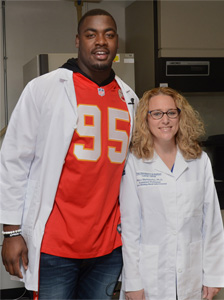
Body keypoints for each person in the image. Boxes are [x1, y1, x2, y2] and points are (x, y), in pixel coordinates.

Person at [0, 9, 138, 299]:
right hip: (55, 246)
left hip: (109, 247)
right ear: (78, 40)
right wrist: (11, 233)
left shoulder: (129, 98)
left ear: (116, 43)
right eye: (91, 34)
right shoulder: (44, 88)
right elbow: (14, 161)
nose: (101, 41)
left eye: (109, 35)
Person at [119, 87, 224, 300]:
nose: (165, 120)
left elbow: (211, 223)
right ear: (146, 119)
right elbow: (129, 228)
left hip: (192, 272)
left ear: (180, 116)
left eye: (171, 112)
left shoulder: (199, 160)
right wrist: (132, 282)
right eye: (156, 113)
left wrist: (213, 275)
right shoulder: (135, 162)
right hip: (149, 276)